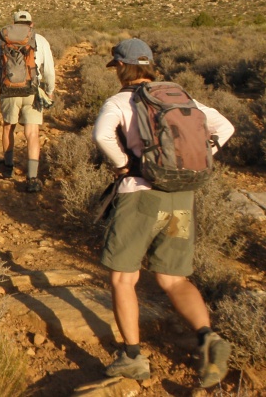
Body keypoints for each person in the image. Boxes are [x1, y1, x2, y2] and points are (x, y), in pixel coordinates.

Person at [91, 37, 235, 388]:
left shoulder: (120, 100)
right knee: (173, 279)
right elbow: (224, 127)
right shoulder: (181, 97)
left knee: (124, 278)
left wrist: (125, 165)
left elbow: (101, 135)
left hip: (139, 197)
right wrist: (200, 155)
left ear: (122, 67)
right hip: (181, 197)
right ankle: (208, 339)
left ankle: (132, 356)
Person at [0, 10, 55, 192]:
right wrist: (49, 91)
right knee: (32, 133)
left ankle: (8, 168)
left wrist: (3, 83)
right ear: (31, 24)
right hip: (32, 91)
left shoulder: (3, 39)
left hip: (9, 90)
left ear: (14, 23)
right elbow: (49, 70)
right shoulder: (40, 40)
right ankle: (32, 178)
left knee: (8, 126)